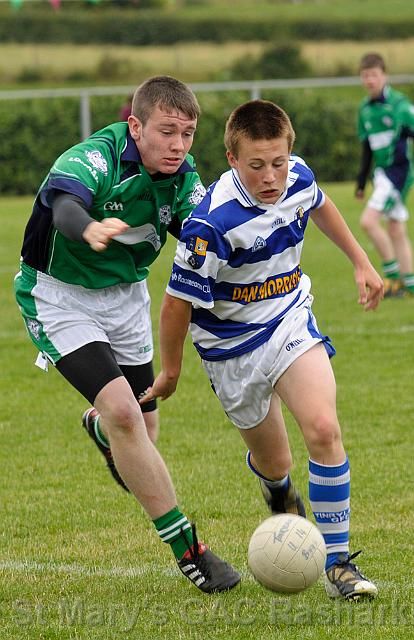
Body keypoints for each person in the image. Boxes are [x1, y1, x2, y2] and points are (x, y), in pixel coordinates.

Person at [141, 99, 383, 601]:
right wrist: (170, 372)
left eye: (278, 162)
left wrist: (361, 261)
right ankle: (277, 488)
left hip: (288, 318)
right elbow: (175, 304)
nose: (271, 177)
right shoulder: (211, 224)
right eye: (256, 165)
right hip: (230, 349)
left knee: (324, 428)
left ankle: (338, 565)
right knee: (275, 462)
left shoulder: (297, 177)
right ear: (232, 159)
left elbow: (319, 204)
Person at [14, 75, 240, 593]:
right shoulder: (98, 157)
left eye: (187, 134)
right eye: (166, 131)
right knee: (124, 412)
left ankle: (101, 428)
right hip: (59, 296)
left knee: (143, 429)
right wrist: (89, 227)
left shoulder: (183, 178)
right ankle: (190, 550)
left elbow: (203, 235)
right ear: (136, 126)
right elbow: (64, 205)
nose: (178, 145)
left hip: (127, 299)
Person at [356, 52, 414, 297]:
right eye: (365, 76)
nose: (370, 80)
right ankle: (410, 284)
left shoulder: (400, 106)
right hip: (381, 174)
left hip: (397, 174)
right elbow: (367, 149)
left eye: (374, 75)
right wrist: (361, 182)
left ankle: (392, 279)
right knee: (396, 229)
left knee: (368, 222)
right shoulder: (364, 109)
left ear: (384, 76)